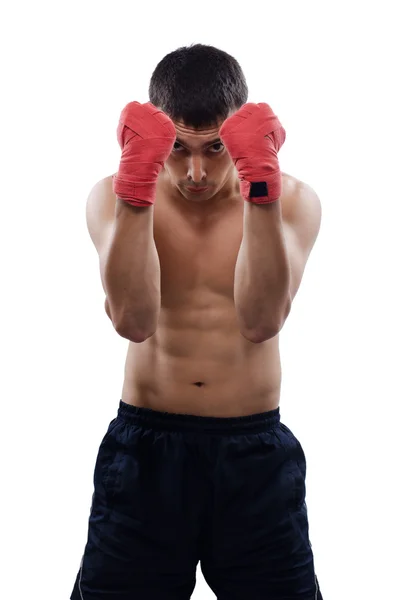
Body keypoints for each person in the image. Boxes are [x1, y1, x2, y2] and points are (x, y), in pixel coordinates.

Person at [71, 43, 323, 600]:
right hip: (145, 455)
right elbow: (133, 320)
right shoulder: (110, 199)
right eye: (178, 149)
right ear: (154, 135)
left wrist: (262, 191)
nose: (196, 172)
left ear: (243, 133)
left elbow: (261, 320)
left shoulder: (297, 202)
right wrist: (135, 188)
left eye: (215, 148)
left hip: (253, 457)